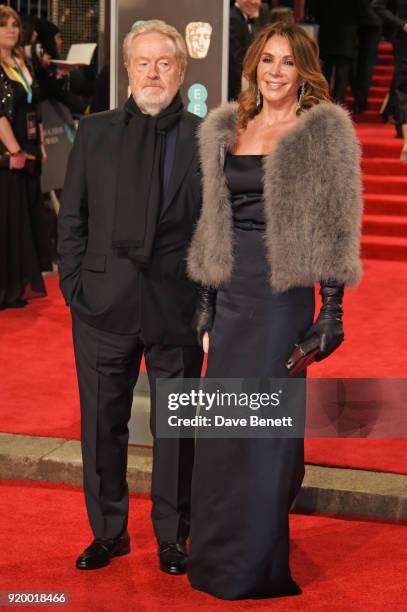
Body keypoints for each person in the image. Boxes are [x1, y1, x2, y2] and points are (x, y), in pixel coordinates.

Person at [186, 21, 363, 600]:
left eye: (288, 61)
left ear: (303, 69)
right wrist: (208, 305)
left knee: (265, 435)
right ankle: (213, 559)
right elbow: (214, 222)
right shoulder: (226, 128)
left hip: (282, 296)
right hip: (233, 296)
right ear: (253, 67)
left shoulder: (322, 133)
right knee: (222, 433)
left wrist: (330, 316)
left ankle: (254, 566)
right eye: (268, 60)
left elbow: (337, 226)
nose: (276, 72)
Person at [57, 20, 203, 573]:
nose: (152, 73)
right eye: (142, 63)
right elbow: (72, 219)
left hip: (178, 307)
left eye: (164, 63)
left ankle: (172, 535)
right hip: (101, 306)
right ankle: (109, 531)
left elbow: (211, 229)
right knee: (101, 425)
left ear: (181, 71)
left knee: (179, 429)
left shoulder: (203, 135)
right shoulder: (94, 132)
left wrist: (205, 302)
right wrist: (75, 289)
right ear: (126, 70)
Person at [0, 4, 48, 310]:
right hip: (8, 153)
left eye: (15, 25)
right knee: (7, 220)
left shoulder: (19, 60)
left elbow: (35, 106)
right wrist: (14, 151)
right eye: (4, 25)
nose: (11, 30)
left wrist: (40, 144)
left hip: (28, 150)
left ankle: (15, 287)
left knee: (24, 220)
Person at [372, 1, 407, 160]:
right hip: (403, 41)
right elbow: (378, 6)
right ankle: (404, 134)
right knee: (403, 86)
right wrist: (402, 24)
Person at [229, 1, 271, 100]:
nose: (253, 1)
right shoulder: (233, 19)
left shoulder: (248, 18)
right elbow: (236, 63)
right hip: (237, 91)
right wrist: (245, 95)